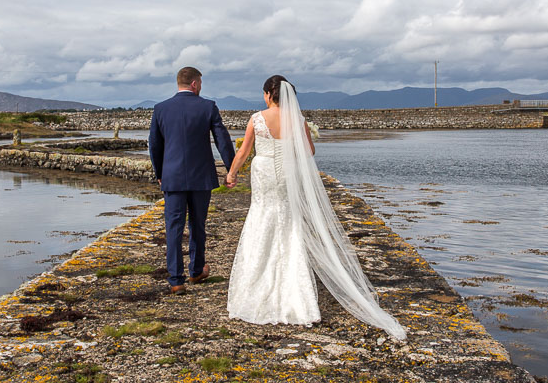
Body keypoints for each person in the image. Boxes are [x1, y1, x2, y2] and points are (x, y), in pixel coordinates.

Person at [225, 75, 406, 339]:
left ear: (267, 94)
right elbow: (308, 152)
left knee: (262, 217)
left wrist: (231, 174)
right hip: (288, 174)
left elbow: (243, 152)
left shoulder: (256, 118)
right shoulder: (298, 121)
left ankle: (255, 288)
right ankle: (296, 298)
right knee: (289, 223)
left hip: (263, 172)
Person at [149, 66, 235, 294]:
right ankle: (196, 271)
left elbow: (155, 146)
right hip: (201, 177)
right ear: (195, 84)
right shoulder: (208, 107)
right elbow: (222, 140)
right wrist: (231, 169)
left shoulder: (160, 109)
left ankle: (176, 279)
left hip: (172, 178)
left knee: (173, 227)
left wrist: (160, 174)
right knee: (198, 225)